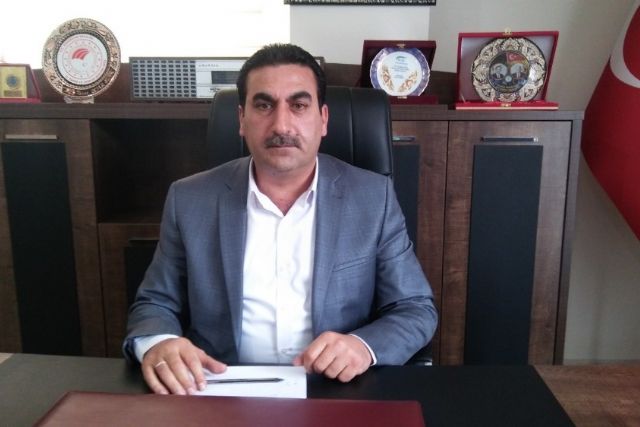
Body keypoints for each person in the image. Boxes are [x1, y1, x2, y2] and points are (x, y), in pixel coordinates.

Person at [123, 43, 437, 395]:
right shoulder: (190, 199)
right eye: (264, 105)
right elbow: (155, 302)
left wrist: (363, 347)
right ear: (241, 120)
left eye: (299, 105)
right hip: (219, 386)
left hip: (334, 388)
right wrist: (160, 343)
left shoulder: (372, 198)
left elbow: (414, 308)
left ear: (323, 119)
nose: (281, 124)